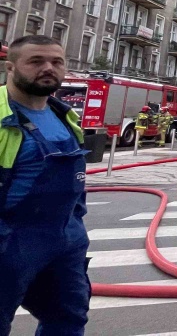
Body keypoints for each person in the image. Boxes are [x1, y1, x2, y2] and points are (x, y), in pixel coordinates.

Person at [0, 35, 91, 336]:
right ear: (10, 67)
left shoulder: (65, 116)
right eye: (36, 61)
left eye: (56, 62)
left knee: (68, 319)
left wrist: (76, 229)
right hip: (9, 243)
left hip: (64, 243)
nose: (48, 68)